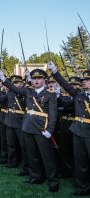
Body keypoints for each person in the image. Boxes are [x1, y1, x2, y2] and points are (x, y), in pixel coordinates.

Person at [0, 68, 59, 192]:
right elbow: (15, 89)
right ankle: (36, 176)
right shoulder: (29, 92)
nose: (36, 81)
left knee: (47, 157)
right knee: (32, 155)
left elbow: (53, 114)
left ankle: (53, 181)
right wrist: (3, 78)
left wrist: (50, 130)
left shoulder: (50, 94)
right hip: (27, 127)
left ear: (44, 80)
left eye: (39, 78)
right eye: (34, 79)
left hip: (42, 129)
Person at [48, 63, 90, 196]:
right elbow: (65, 84)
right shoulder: (78, 94)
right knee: (80, 161)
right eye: (83, 80)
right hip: (78, 130)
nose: (84, 82)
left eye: (87, 80)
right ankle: (83, 187)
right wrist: (55, 71)